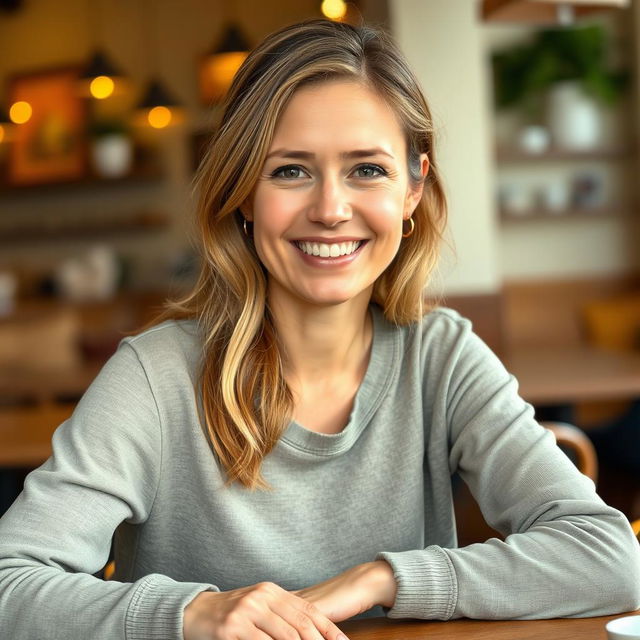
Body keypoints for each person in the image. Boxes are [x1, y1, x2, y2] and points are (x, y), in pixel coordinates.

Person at [1, 18, 639, 640]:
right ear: (244, 194)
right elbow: (10, 583)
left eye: (367, 169)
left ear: (413, 190)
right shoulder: (155, 373)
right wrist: (191, 616)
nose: (331, 209)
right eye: (290, 170)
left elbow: (613, 560)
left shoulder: (441, 355)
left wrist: (383, 579)